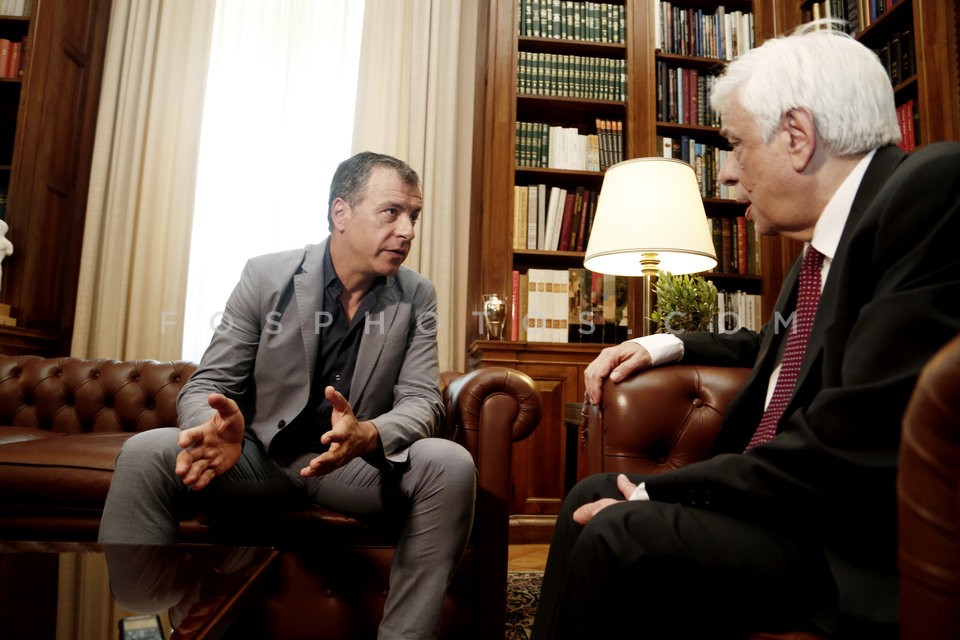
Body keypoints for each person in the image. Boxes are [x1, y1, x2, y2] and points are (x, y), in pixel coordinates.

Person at [532, 22, 960, 640]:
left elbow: (858, 433)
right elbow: (786, 344)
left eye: (734, 144)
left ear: (797, 136)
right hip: (792, 512)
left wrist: (661, 495)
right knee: (589, 495)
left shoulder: (930, 190)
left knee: (622, 529)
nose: (728, 173)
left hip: (849, 544)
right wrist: (664, 342)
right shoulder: (817, 255)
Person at [99, 151, 477, 640]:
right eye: (391, 212)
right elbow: (209, 382)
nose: (406, 230)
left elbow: (422, 401)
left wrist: (368, 433)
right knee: (144, 452)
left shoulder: (416, 295)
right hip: (259, 459)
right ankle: (164, 601)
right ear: (341, 212)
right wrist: (214, 429)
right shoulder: (265, 276)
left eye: (414, 216)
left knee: (450, 463)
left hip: (350, 467)